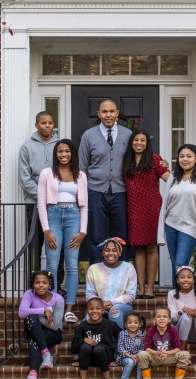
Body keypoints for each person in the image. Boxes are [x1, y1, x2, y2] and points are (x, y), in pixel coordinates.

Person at [37, 139, 87, 324]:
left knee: (72, 266)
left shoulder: (80, 175)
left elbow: (85, 206)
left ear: (72, 153)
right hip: (53, 215)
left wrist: (83, 231)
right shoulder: (47, 173)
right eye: (60, 151)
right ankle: (54, 306)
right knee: (52, 265)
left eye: (67, 151)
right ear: (55, 154)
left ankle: (69, 308)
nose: (64, 154)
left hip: (73, 215)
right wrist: (46, 230)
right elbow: (41, 203)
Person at [79, 99, 132, 263]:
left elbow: (136, 159)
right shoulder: (88, 135)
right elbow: (82, 167)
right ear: (99, 114)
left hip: (121, 191)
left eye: (111, 111)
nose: (108, 115)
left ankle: (121, 276)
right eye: (104, 111)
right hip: (95, 191)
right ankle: (97, 277)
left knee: (121, 236)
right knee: (96, 235)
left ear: (117, 113)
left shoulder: (128, 134)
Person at [18, 111, 65, 296]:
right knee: (35, 247)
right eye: (43, 123)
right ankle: (34, 287)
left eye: (50, 122)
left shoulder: (60, 146)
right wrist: (43, 196)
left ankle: (56, 285)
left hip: (57, 205)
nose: (47, 126)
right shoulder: (27, 148)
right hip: (35, 204)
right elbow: (25, 178)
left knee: (57, 246)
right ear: (36, 125)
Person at [158, 143, 196, 288]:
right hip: (171, 224)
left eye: (189, 156)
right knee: (174, 265)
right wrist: (160, 232)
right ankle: (176, 299)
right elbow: (165, 203)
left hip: (190, 227)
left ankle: (185, 297)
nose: (185, 159)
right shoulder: (174, 176)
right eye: (181, 156)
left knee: (180, 264)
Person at [122, 130, 170, 299]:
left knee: (151, 247)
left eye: (143, 140)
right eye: (136, 140)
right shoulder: (126, 160)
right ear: (131, 142)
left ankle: (150, 288)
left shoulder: (155, 159)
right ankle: (140, 288)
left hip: (152, 208)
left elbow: (170, 180)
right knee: (138, 248)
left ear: (147, 143)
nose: (139, 143)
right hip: (134, 209)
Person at [17, 270, 64, 379]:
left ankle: (33, 377)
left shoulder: (58, 299)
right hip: (33, 328)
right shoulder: (29, 294)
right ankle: (46, 354)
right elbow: (22, 312)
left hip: (53, 333)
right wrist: (43, 311)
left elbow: (55, 325)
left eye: (44, 282)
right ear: (33, 284)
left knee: (33, 341)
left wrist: (37, 317)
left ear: (50, 285)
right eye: (37, 282)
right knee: (30, 317)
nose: (41, 285)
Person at [85, 237, 137, 329]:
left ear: (120, 253)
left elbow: (131, 295)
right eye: (107, 250)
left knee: (114, 312)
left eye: (114, 250)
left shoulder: (128, 268)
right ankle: (89, 342)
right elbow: (90, 293)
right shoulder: (93, 269)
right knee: (89, 316)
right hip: (99, 305)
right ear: (102, 253)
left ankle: (118, 341)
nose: (110, 253)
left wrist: (112, 302)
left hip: (122, 306)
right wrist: (100, 305)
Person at [70, 297, 121, 379]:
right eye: (91, 308)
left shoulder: (110, 324)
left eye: (98, 308)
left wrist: (116, 357)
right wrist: (84, 340)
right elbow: (73, 347)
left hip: (105, 357)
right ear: (87, 311)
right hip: (88, 359)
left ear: (103, 311)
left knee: (99, 349)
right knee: (85, 347)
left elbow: (123, 336)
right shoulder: (82, 326)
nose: (94, 311)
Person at [137, 306, 191, 379]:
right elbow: (147, 348)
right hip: (155, 357)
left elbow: (178, 348)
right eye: (159, 317)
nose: (161, 319)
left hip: (169, 357)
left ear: (169, 319)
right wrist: (158, 353)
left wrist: (167, 353)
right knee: (141, 354)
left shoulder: (172, 330)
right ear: (154, 320)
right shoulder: (151, 330)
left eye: (164, 317)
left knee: (185, 354)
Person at [167, 265, 196, 366]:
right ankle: (181, 352)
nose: (186, 280)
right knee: (187, 317)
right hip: (179, 332)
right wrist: (182, 311)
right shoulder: (172, 294)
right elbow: (172, 319)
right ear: (177, 280)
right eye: (182, 277)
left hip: (195, 333)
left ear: (193, 280)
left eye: (189, 277)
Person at [115, 311, 146, 379]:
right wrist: (129, 356)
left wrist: (137, 355)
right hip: (124, 357)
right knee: (130, 361)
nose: (132, 324)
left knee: (141, 360)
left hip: (136, 357)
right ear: (126, 324)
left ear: (139, 324)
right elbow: (120, 347)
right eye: (130, 322)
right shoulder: (122, 333)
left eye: (135, 322)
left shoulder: (141, 335)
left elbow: (142, 347)